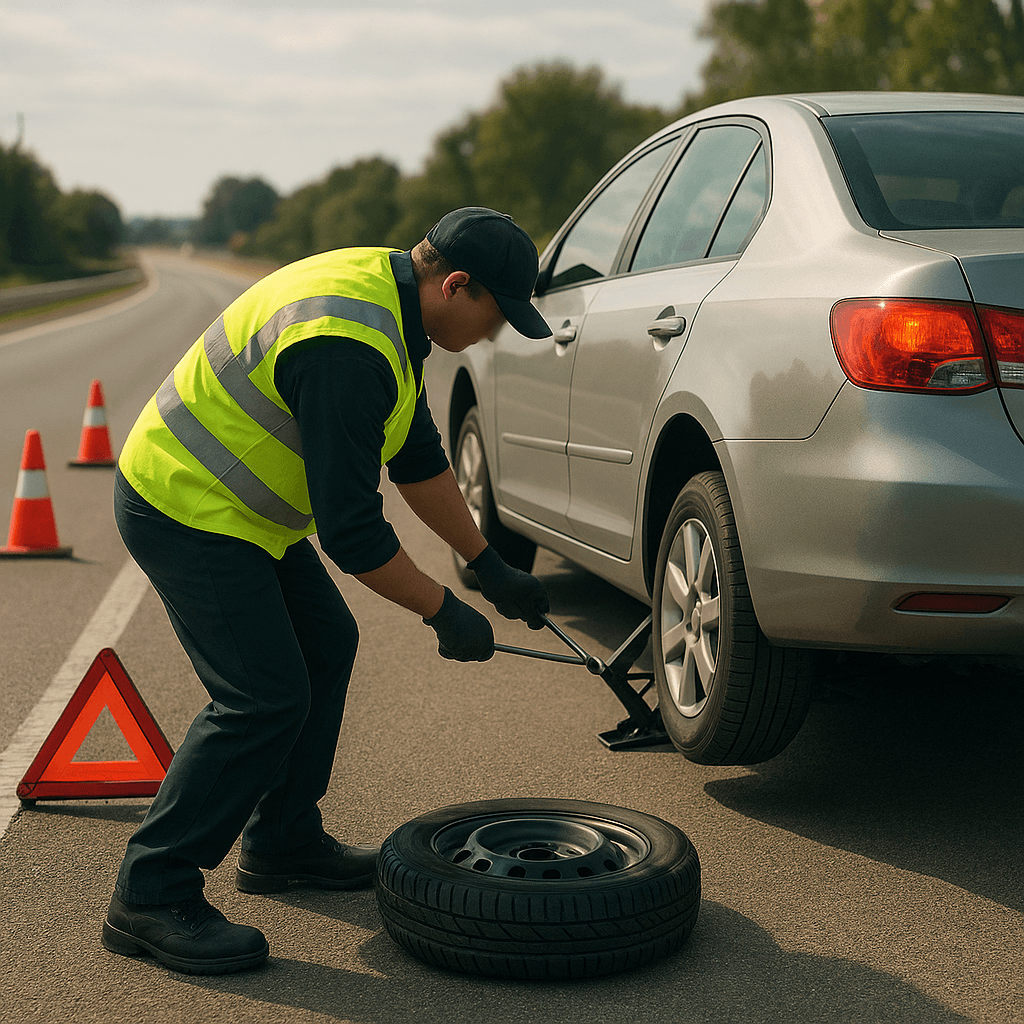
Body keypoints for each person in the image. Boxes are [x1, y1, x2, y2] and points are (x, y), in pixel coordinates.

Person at [101, 207, 552, 975]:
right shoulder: (350, 346)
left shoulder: (396, 305)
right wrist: (443, 611)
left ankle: (281, 842)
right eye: (494, 313)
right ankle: (150, 893)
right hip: (185, 504)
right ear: (456, 284)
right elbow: (352, 535)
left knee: (325, 644)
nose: (494, 331)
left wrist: (487, 562)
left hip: (242, 516)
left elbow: (414, 457)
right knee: (261, 696)